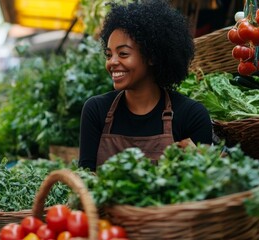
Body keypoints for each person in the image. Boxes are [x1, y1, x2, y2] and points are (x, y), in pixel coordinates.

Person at [78, 0, 212, 172]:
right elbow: (83, 181)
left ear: (152, 57)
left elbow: (205, 188)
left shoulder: (190, 115)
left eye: (123, 54)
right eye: (109, 54)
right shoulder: (96, 110)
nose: (112, 62)